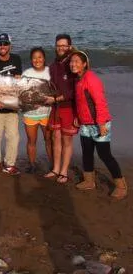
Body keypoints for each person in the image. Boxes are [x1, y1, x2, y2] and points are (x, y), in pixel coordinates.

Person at [70, 51, 126, 199]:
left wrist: (101, 124)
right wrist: (77, 117)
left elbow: (100, 103)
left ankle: (121, 186)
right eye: (71, 62)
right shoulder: (78, 80)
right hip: (86, 124)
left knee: (104, 155)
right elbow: (80, 102)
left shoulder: (91, 79)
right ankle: (89, 181)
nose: (73, 64)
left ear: (84, 64)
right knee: (87, 153)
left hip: (100, 123)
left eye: (76, 61)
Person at [0, 33, 23, 176]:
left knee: (14, 137)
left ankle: (9, 164)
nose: (2, 47)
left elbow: (17, 83)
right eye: (0, 44)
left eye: (5, 44)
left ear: (10, 46)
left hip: (11, 107)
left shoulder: (17, 59)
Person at [45, 34, 78, 183]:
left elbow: (74, 91)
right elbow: (51, 87)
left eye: (64, 45)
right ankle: (56, 168)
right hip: (55, 107)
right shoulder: (53, 66)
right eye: (59, 45)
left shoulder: (73, 64)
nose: (61, 48)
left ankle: (64, 171)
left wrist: (56, 99)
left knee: (66, 140)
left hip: (69, 108)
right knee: (55, 137)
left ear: (69, 47)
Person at [21, 47, 52, 173]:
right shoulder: (26, 73)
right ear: (31, 60)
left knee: (49, 140)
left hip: (47, 113)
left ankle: (53, 164)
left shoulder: (51, 72)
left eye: (39, 57)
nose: (37, 60)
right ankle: (32, 164)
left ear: (44, 58)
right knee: (31, 141)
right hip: (30, 113)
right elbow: (22, 94)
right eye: (34, 57)